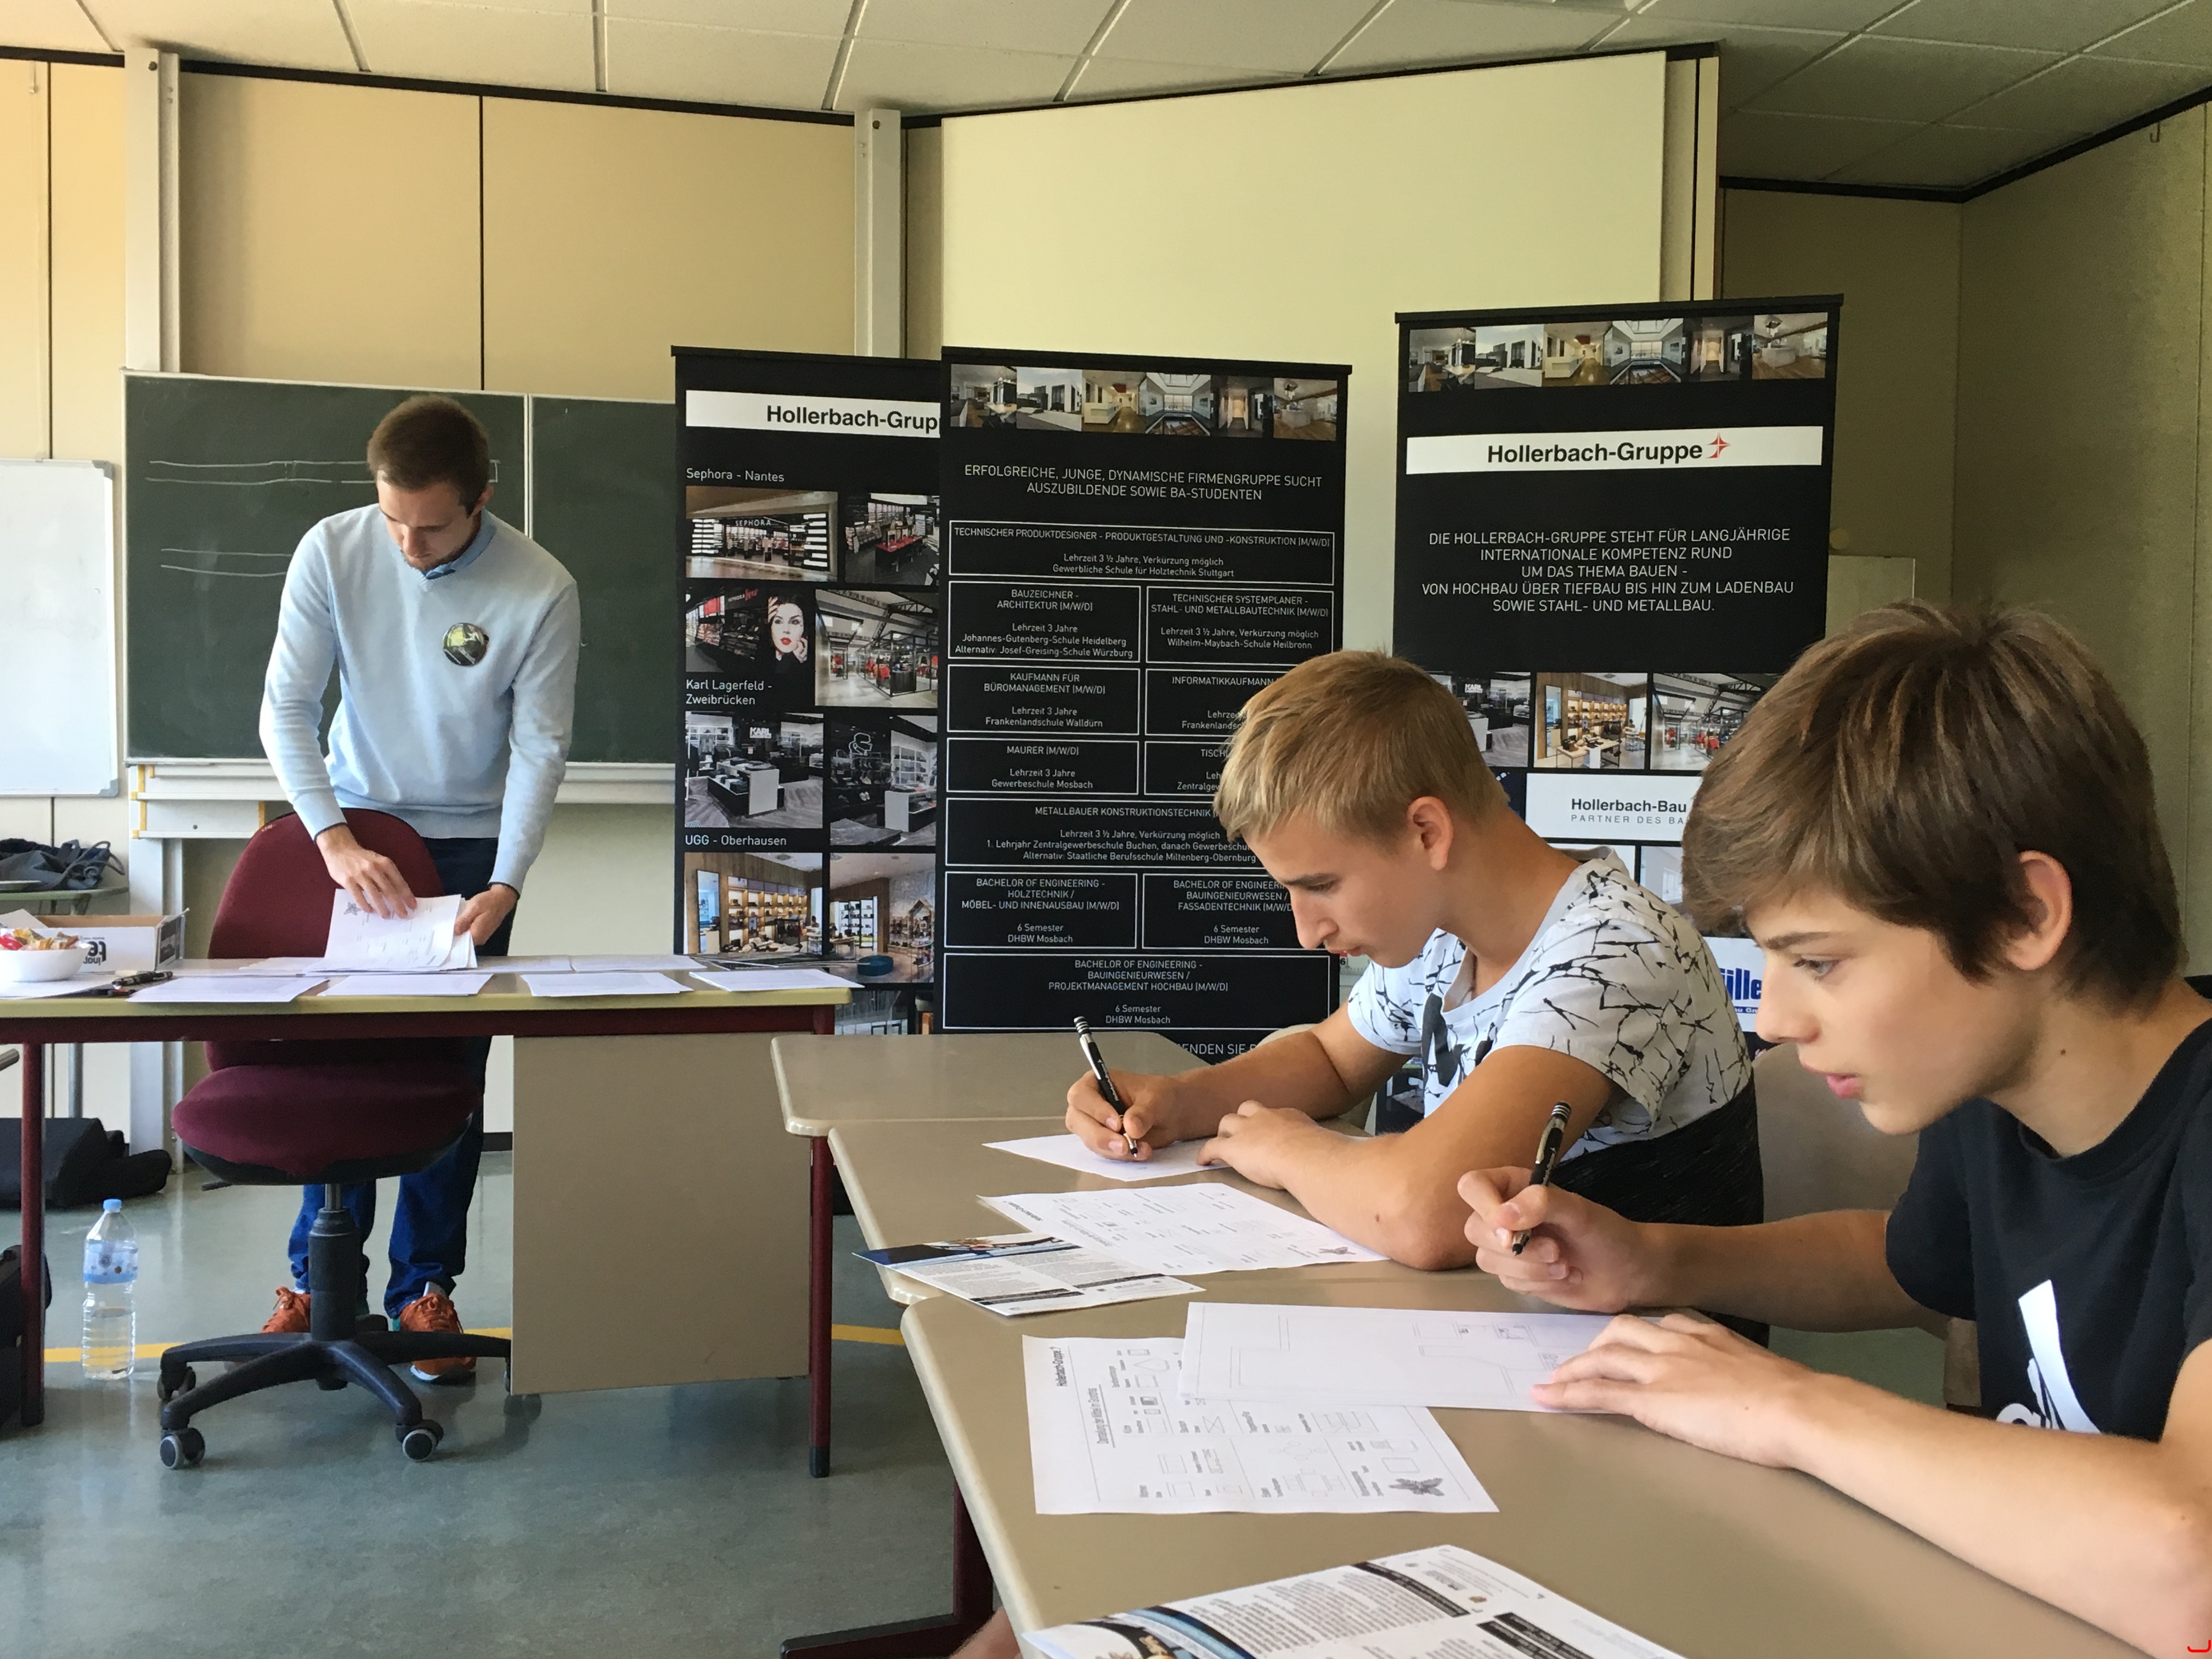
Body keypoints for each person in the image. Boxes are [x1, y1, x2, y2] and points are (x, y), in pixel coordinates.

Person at [1461, 603, 2212, 1652]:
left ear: (2023, 913)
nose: (1773, 1015)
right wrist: (1649, 1258)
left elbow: (2191, 1563)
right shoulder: (1996, 1089)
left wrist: (1785, 1406)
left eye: (1817, 960)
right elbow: (1910, 1263)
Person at [1064, 650, 1757, 1272]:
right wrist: (1179, 1102)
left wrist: (1288, 1150)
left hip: (1648, 1356)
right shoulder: (1441, 932)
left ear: (1426, 831)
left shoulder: (1619, 951)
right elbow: (1333, 1062)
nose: (1306, 932)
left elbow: (1428, 1216)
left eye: (1321, 886)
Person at [259, 393, 580, 1381]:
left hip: (468, 850)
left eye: (432, 526)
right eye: (392, 517)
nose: (407, 543)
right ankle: (318, 1279)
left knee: (447, 1081)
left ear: (482, 498)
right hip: (357, 834)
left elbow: (540, 748)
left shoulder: (541, 587)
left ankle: (424, 1286)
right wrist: (331, 839)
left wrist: (507, 881)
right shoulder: (333, 549)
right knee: (337, 1065)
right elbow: (285, 708)